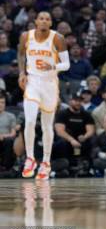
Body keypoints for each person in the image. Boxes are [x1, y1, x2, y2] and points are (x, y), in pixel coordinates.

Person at [18, 11, 70, 179]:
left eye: (47, 19)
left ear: (51, 23)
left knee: (47, 125)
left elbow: (67, 64)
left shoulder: (57, 38)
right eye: (41, 18)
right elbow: (20, 54)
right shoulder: (26, 36)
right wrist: (21, 73)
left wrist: (54, 66)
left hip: (49, 84)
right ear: (36, 21)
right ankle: (30, 158)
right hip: (32, 82)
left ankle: (46, 162)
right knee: (31, 120)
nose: (44, 21)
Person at [54, 93, 96, 164]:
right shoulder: (62, 114)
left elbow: (91, 130)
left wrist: (85, 137)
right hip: (67, 139)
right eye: (76, 101)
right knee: (62, 142)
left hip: (81, 139)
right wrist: (72, 140)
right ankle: (65, 163)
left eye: (80, 101)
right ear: (70, 101)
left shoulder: (86, 115)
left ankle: (85, 164)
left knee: (92, 141)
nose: (78, 103)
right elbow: (60, 131)